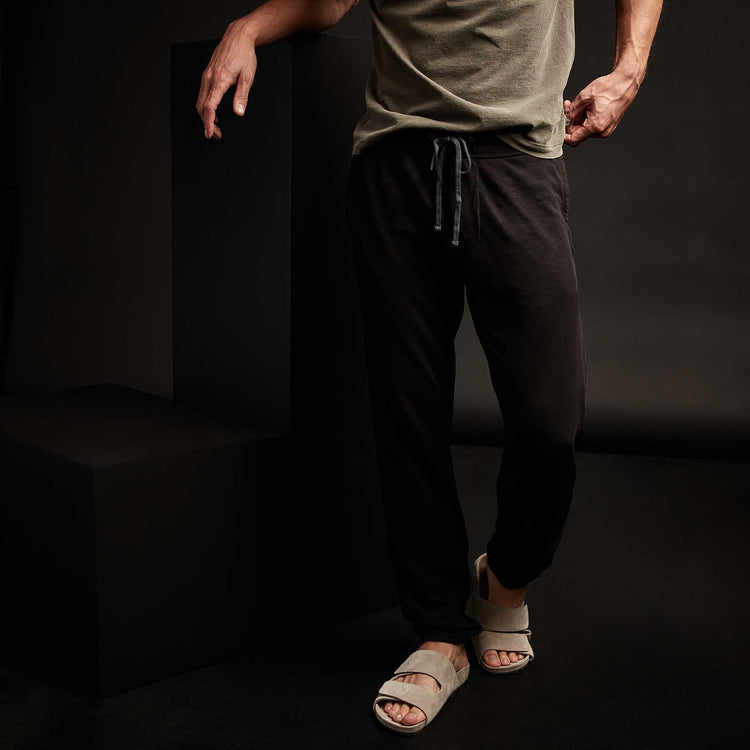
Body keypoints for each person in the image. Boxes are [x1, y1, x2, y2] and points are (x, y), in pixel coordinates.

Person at [196, 0, 664, 735]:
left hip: (516, 164)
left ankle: (504, 581)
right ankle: (439, 631)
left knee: (550, 424)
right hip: (395, 166)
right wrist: (247, 27)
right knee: (407, 415)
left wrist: (629, 71)